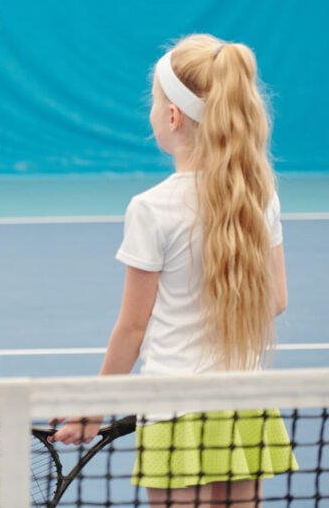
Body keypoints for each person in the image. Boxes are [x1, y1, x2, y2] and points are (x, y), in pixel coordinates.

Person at [52, 34, 298, 507]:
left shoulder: (151, 209)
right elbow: (277, 299)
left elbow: (132, 328)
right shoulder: (260, 195)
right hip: (247, 407)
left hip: (174, 413)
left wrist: (93, 406)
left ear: (172, 117)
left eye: (155, 102)